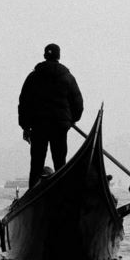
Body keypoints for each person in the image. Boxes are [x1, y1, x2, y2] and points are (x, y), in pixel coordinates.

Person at [18, 43, 84, 188]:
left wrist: (25, 126)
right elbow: (78, 103)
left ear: (44, 56)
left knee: (36, 163)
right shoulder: (68, 78)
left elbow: (24, 103)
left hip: (38, 126)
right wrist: (72, 120)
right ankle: (61, 193)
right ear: (58, 56)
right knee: (60, 162)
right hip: (59, 126)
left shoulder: (33, 77)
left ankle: (32, 193)